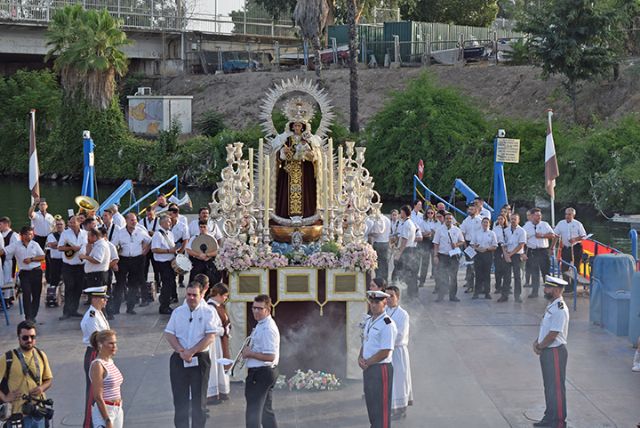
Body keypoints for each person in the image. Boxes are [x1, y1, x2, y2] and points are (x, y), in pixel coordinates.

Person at [165, 281, 216, 428]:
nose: (191, 298)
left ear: (201, 295)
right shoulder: (178, 312)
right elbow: (169, 334)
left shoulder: (208, 312)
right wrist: (181, 351)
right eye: (189, 294)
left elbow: (210, 336)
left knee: (199, 400)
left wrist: (192, 351)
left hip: (199, 359)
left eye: (195, 295)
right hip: (179, 358)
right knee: (180, 400)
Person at [0, 320, 53, 428]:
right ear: (18, 338)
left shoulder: (41, 355)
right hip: (18, 415)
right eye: (25, 337)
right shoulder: (7, 358)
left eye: (32, 337)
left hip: (39, 413)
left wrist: (42, 388)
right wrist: (5, 397)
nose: (29, 340)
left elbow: (48, 380)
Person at [532, 276, 570, 428]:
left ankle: (559, 422)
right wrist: (537, 342)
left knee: (556, 387)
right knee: (549, 386)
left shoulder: (560, 308)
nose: (545, 290)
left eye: (548, 287)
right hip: (548, 351)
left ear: (556, 289)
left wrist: (540, 346)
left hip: (555, 351)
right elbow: (546, 328)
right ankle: (549, 417)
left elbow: (554, 333)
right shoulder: (552, 305)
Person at [359, 290, 396, 428]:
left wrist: (367, 362)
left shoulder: (387, 324)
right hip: (369, 368)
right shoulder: (370, 320)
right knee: (372, 405)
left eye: (377, 303)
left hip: (381, 370)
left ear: (384, 303)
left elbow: (385, 351)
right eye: (372, 302)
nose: (373, 305)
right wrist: (360, 357)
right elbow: (366, 341)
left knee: (382, 408)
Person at [243, 294, 280, 428]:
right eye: (254, 308)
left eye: (260, 309)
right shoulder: (261, 324)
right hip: (263, 372)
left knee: (253, 412)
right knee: (266, 411)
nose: (256, 311)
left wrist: (250, 353)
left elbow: (270, 356)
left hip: (261, 373)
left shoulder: (267, 329)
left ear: (268, 310)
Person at [275, 117, 320, 219]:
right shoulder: (287, 140)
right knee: (287, 191)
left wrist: (307, 154)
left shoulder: (307, 139)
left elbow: (314, 155)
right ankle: (285, 216)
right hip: (289, 170)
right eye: (295, 125)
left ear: (303, 127)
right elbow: (280, 156)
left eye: (299, 125)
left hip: (304, 169)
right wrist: (284, 152)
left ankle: (306, 214)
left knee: (306, 191)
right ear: (292, 127)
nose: (297, 127)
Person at [0, 226, 45, 322]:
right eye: (26, 234)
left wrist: (32, 259)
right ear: (21, 235)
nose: (28, 236)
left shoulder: (35, 244)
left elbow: (42, 256)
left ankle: (33, 315)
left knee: (36, 295)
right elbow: (4, 251)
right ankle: (28, 317)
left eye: (30, 234)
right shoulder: (16, 245)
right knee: (26, 294)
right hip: (24, 273)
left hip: (36, 271)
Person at [80, 286, 111, 428]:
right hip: (94, 353)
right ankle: (89, 424)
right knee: (93, 392)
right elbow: (97, 339)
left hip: (100, 353)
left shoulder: (97, 313)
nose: (105, 301)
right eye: (103, 298)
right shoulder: (92, 316)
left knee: (100, 390)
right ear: (95, 299)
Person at [111, 213, 151, 315]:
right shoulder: (120, 232)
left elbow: (150, 240)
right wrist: (114, 261)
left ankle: (130, 308)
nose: (134, 222)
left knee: (133, 285)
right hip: (123, 260)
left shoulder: (141, 231)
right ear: (126, 221)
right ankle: (116, 308)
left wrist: (145, 251)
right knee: (120, 284)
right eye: (132, 220)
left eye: (135, 220)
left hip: (137, 260)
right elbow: (113, 246)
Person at [385, 286, 413, 420]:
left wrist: (385, 340)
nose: (389, 299)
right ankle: (391, 407)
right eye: (387, 296)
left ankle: (401, 409)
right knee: (390, 380)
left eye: (392, 296)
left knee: (399, 380)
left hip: (398, 351)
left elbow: (401, 334)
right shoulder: (384, 312)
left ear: (398, 297)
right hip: (386, 352)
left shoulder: (403, 314)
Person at [89, 330, 124, 428]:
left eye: (115, 343)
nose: (114, 346)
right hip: (105, 411)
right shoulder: (98, 365)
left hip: (117, 409)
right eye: (111, 343)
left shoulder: (110, 362)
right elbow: (98, 396)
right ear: (100, 345)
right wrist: (107, 419)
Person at [58, 216, 88, 319]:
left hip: (81, 265)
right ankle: (66, 311)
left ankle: (74, 310)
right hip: (68, 265)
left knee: (78, 288)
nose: (71, 225)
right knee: (69, 287)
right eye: (69, 223)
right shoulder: (65, 233)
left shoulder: (85, 233)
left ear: (79, 222)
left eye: (73, 222)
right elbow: (60, 247)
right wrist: (71, 248)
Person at [206, 283, 231, 405]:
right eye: (225, 295)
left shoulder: (218, 306)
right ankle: (212, 394)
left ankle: (221, 392)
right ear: (218, 295)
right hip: (214, 343)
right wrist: (224, 330)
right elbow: (211, 328)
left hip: (220, 341)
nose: (226, 298)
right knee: (215, 367)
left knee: (220, 366)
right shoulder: (210, 308)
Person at [523, 208, 555, 298]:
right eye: (537, 215)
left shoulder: (545, 224)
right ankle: (534, 292)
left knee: (546, 273)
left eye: (540, 215)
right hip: (532, 251)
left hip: (543, 251)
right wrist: (523, 253)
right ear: (532, 216)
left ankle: (549, 292)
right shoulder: (526, 226)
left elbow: (553, 235)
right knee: (534, 273)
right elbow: (522, 240)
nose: (539, 217)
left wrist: (542, 235)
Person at [554, 207, 587, 293]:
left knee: (576, 267)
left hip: (576, 247)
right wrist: (552, 246)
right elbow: (556, 234)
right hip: (566, 247)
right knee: (564, 267)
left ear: (573, 215)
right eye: (566, 214)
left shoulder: (578, 224)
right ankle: (567, 286)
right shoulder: (561, 223)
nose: (567, 216)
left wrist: (575, 239)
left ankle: (573, 286)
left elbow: (583, 235)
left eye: (569, 214)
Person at [433, 212, 465, 302]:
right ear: (444, 219)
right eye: (447, 219)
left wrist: (456, 244)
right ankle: (441, 296)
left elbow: (462, 241)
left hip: (454, 256)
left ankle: (453, 296)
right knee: (443, 276)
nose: (448, 220)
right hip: (443, 255)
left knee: (453, 277)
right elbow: (436, 243)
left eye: (450, 219)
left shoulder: (457, 230)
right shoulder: (439, 230)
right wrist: (435, 255)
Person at [153, 215, 178, 315]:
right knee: (167, 284)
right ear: (162, 223)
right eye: (168, 221)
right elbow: (154, 249)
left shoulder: (170, 234)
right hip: (163, 263)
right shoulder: (157, 235)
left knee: (170, 284)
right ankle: (164, 306)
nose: (170, 223)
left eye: (170, 221)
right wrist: (169, 251)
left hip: (170, 262)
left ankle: (165, 302)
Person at [499, 213, 527, 303]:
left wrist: (510, 254)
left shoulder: (522, 231)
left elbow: (521, 244)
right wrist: (506, 254)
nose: (513, 220)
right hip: (507, 254)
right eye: (512, 219)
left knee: (517, 276)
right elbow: (503, 243)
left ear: (518, 220)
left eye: (515, 219)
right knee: (506, 276)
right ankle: (504, 295)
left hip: (516, 255)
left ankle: (517, 296)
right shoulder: (505, 230)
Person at [393, 205, 418, 298]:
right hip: (409, 250)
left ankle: (404, 293)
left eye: (401, 212)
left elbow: (404, 240)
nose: (400, 214)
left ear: (404, 212)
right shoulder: (407, 222)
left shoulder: (407, 224)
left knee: (401, 272)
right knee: (408, 272)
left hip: (406, 250)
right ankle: (410, 293)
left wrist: (399, 253)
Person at [186, 220, 220, 287]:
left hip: (209, 263)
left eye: (204, 227)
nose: (202, 229)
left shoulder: (212, 238)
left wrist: (207, 255)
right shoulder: (194, 238)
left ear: (207, 227)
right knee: (195, 281)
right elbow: (188, 250)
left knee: (212, 281)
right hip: (197, 263)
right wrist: (199, 255)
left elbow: (217, 251)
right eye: (201, 227)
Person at [470, 217, 497, 299]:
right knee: (478, 274)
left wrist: (487, 249)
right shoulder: (476, 233)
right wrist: (477, 248)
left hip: (487, 254)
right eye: (484, 222)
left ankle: (487, 292)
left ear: (489, 224)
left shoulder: (492, 233)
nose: (485, 224)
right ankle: (476, 292)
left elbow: (495, 246)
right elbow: (472, 244)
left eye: (487, 222)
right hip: (478, 254)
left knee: (487, 274)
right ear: (481, 224)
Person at [460, 204, 482, 293]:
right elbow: (462, 234)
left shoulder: (480, 220)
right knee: (470, 266)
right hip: (468, 244)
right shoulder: (466, 221)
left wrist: (478, 245)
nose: (470, 211)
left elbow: (482, 233)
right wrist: (465, 246)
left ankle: (480, 286)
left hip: (478, 245)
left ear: (476, 210)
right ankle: (470, 286)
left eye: (472, 209)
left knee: (479, 266)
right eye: (469, 209)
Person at [1, 217, 20, 304]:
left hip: (9, 260)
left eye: (0, 224)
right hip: (2, 260)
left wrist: (4, 251)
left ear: (6, 224)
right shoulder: (1, 234)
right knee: (3, 279)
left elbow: (16, 247)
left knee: (8, 279)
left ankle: (7, 299)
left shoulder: (13, 235)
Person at [417, 208, 437, 288]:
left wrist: (432, 233)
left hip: (433, 242)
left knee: (435, 262)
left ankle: (436, 282)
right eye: (428, 213)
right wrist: (428, 233)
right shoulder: (423, 222)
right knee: (425, 263)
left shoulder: (436, 222)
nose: (430, 214)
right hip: (425, 242)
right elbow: (421, 233)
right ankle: (422, 281)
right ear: (426, 214)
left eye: (432, 213)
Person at [369, 212, 391, 283]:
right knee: (385, 264)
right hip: (386, 243)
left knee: (378, 264)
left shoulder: (378, 219)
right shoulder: (387, 219)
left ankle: (379, 281)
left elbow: (377, 233)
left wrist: (370, 234)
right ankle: (385, 281)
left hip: (379, 243)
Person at [45, 218, 65, 289]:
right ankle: (53, 295)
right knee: (54, 279)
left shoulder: (68, 234)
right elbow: (52, 246)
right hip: (55, 260)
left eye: (61, 224)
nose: (59, 226)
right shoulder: (51, 235)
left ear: (64, 225)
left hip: (65, 260)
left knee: (65, 279)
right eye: (57, 224)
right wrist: (63, 244)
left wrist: (58, 244)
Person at [493, 214, 509, 296]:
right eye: (498, 219)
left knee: (506, 269)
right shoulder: (495, 229)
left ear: (505, 220)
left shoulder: (508, 229)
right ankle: (498, 287)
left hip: (507, 248)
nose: (500, 221)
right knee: (498, 268)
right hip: (498, 248)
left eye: (501, 219)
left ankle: (506, 287)